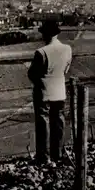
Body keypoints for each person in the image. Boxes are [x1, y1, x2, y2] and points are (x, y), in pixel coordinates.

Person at [27, 20, 72, 163]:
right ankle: (57, 153)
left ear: (45, 35)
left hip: (44, 91)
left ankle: (43, 156)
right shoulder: (67, 49)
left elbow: (32, 74)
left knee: (43, 124)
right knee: (58, 122)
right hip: (60, 91)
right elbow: (66, 69)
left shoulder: (41, 52)